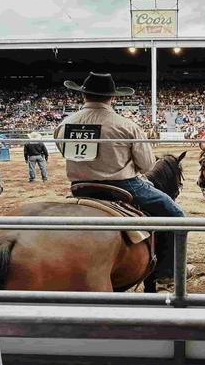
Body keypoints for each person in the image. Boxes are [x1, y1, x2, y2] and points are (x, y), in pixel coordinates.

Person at [54, 72, 186, 283]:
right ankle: (167, 272)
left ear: (83, 95)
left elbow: (65, 152)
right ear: (112, 97)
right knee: (176, 215)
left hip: (80, 186)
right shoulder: (126, 125)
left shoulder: (65, 125)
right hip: (124, 186)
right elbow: (147, 165)